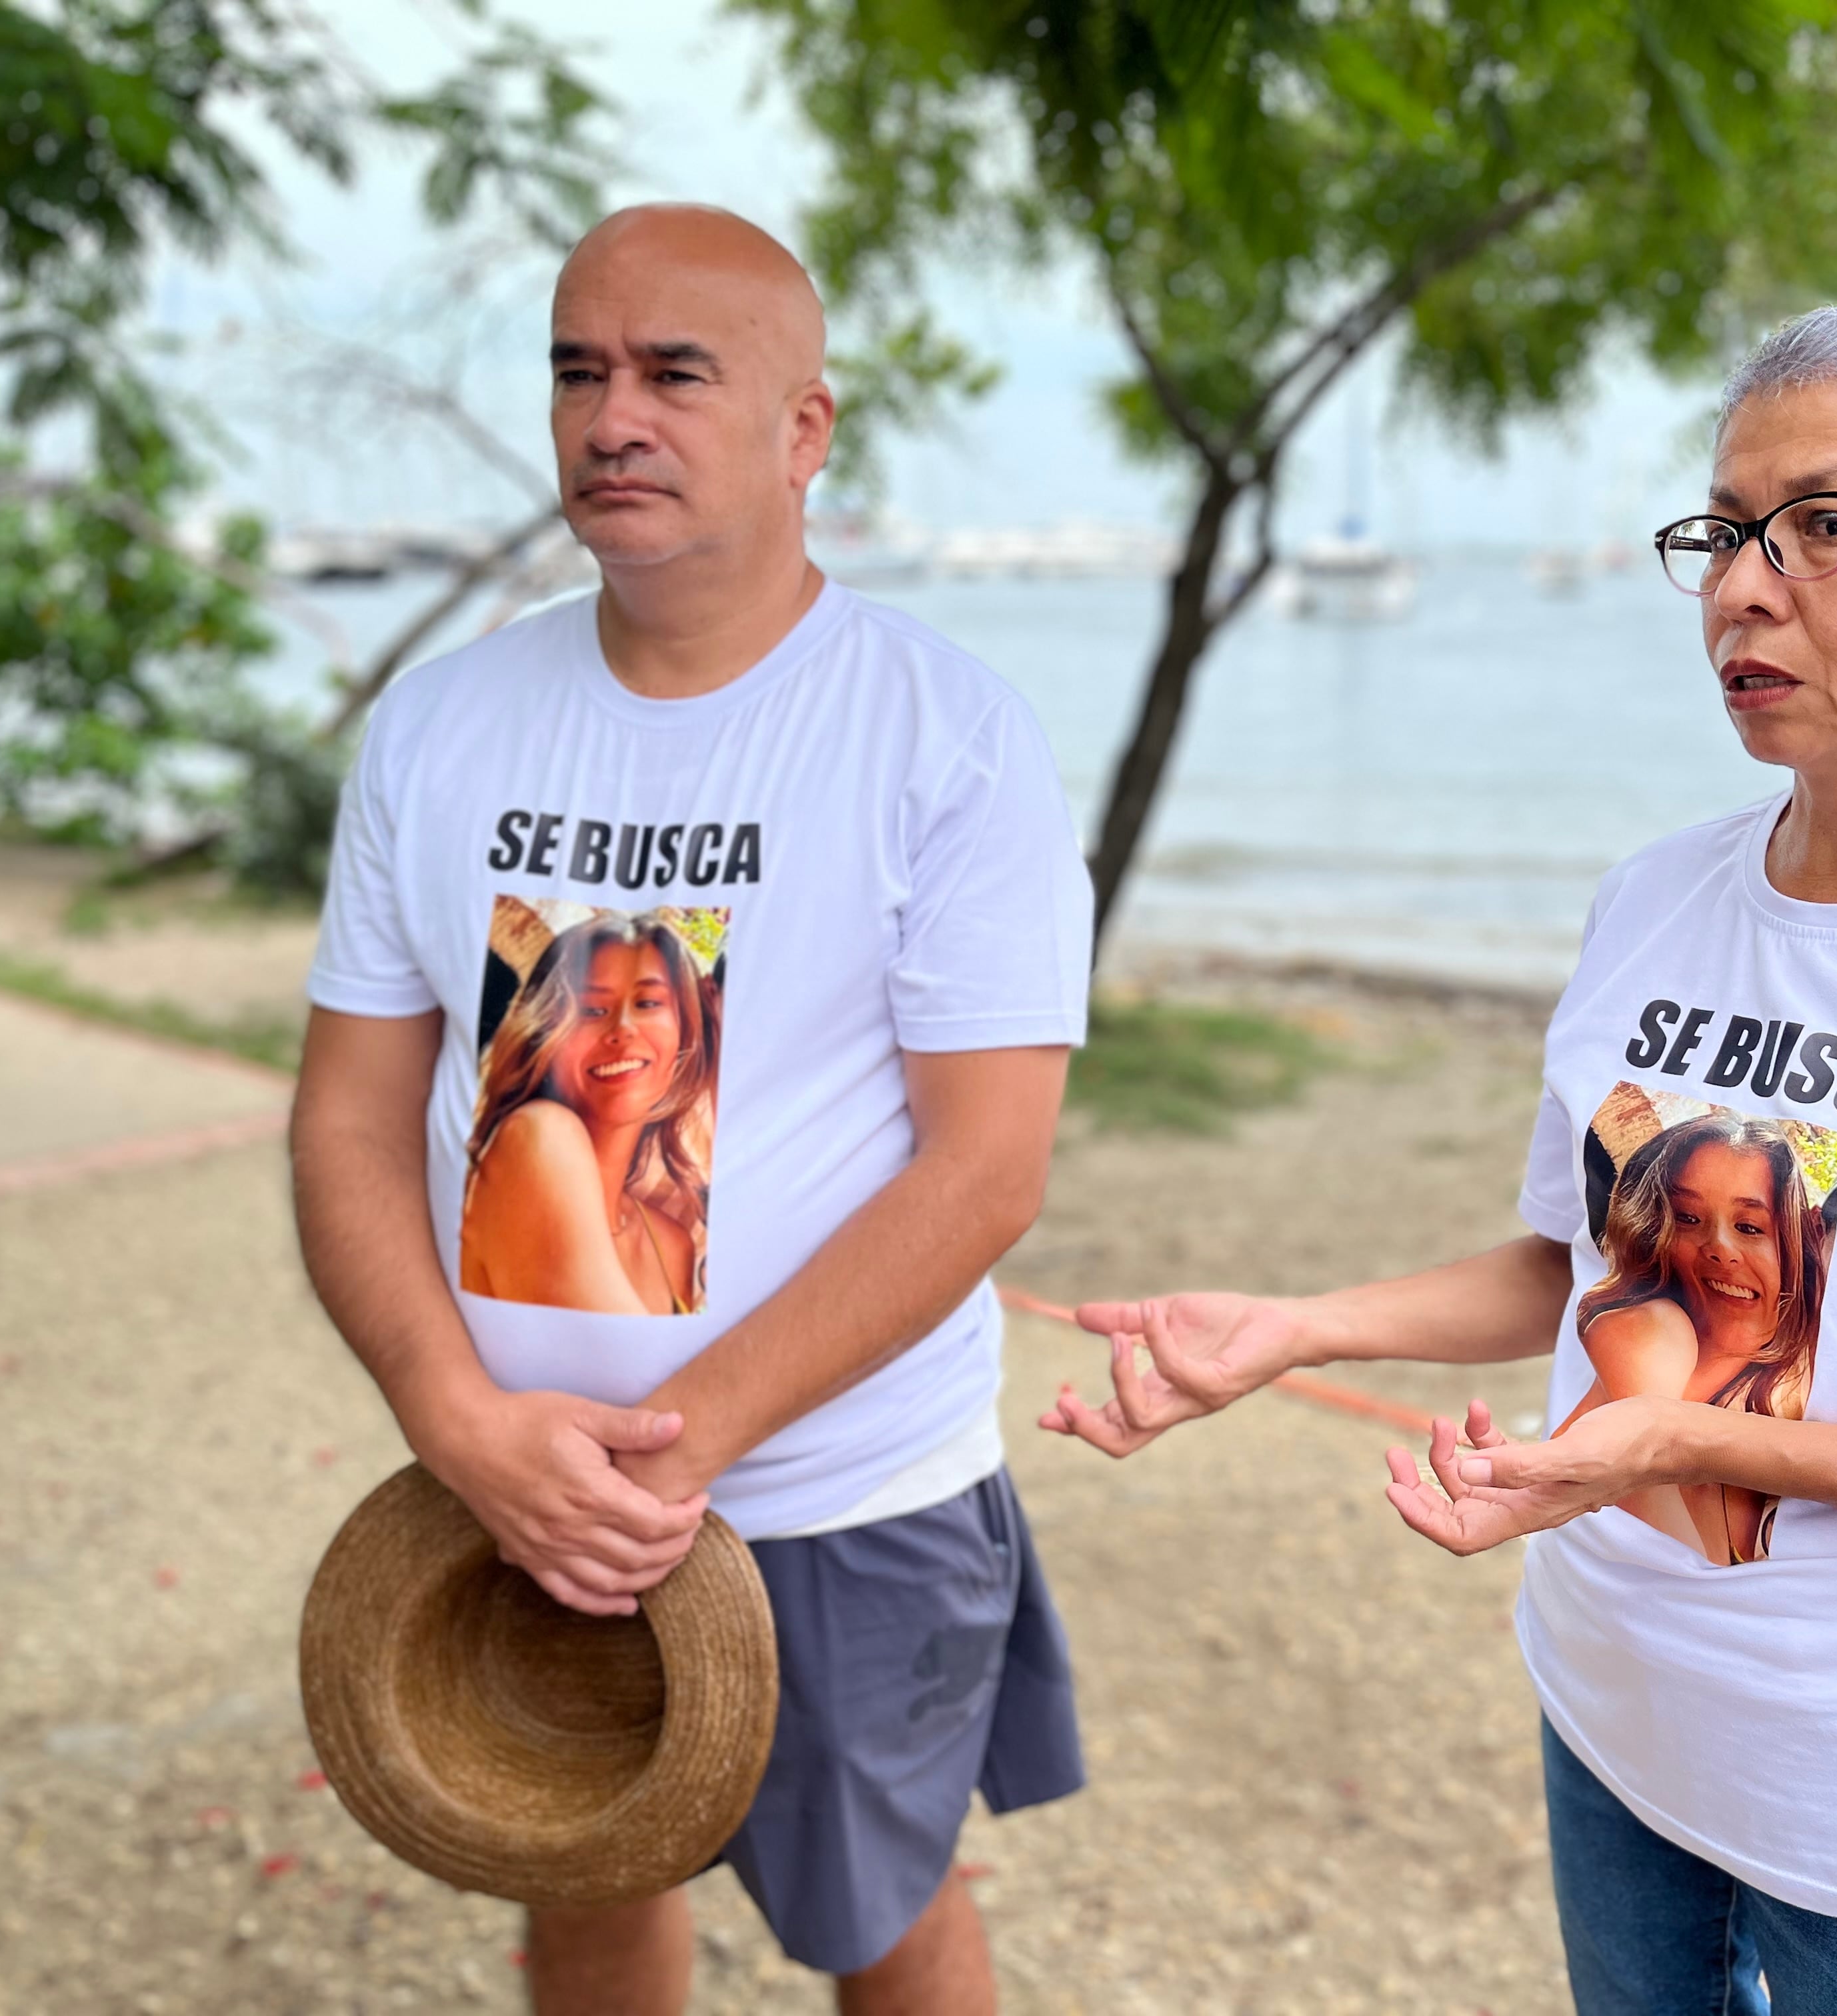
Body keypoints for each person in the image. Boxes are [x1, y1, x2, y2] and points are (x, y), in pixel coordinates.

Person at [1040, 301, 1837, 2016]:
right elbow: (1576, 1269)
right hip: (1611, 1726)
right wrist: (1295, 1327)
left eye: (1828, 525)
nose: (1744, 587)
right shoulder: (1656, 896)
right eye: (1724, 531)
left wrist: (1693, 1436)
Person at [292, 203, 1093, 2016]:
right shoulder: (439, 728)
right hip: (503, 1481)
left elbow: (988, 1171)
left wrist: (680, 1445)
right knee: (572, 1874)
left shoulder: (941, 734)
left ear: (806, 430)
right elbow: (348, 1120)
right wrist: (457, 1416)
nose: (611, 418)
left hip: (834, 1494)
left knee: (876, 1920)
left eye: (674, 373)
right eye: (580, 370)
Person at [1562, 1113, 1834, 1563]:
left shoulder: (1802, 1379)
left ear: (1792, 1242)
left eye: (1749, 1227)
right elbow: (1676, 1561)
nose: (1720, 1248)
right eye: (1688, 1219)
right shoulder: (1651, 1330)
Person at [460, 911, 721, 1316]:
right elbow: (629, 1366)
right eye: (593, 1010)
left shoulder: (672, 1243)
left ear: (686, 1034)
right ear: (546, 1030)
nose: (623, 1029)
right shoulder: (536, 1135)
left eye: (648, 1003)